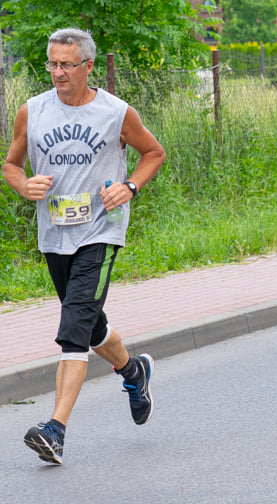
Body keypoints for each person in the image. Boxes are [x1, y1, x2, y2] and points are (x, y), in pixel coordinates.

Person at [3, 28, 166, 464]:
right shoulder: (31, 112)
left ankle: (54, 429)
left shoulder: (116, 113)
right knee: (90, 324)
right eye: (52, 64)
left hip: (101, 230)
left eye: (66, 65)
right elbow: (12, 164)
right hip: (54, 232)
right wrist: (25, 185)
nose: (57, 73)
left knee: (74, 329)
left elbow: (154, 153)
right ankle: (134, 371)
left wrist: (130, 186)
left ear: (88, 66)